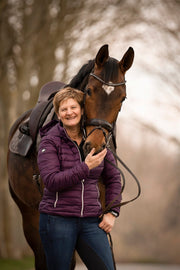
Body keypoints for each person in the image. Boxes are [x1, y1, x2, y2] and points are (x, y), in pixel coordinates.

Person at [37, 86, 122, 270]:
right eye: (63, 109)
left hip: (91, 222)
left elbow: (114, 177)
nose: (69, 112)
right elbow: (51, 181)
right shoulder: (50, 141)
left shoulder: (96, 139)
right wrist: (85, 167)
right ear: (58, 115)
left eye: (73, 107)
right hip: (57, 220)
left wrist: (112, 212)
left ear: (82, 110)